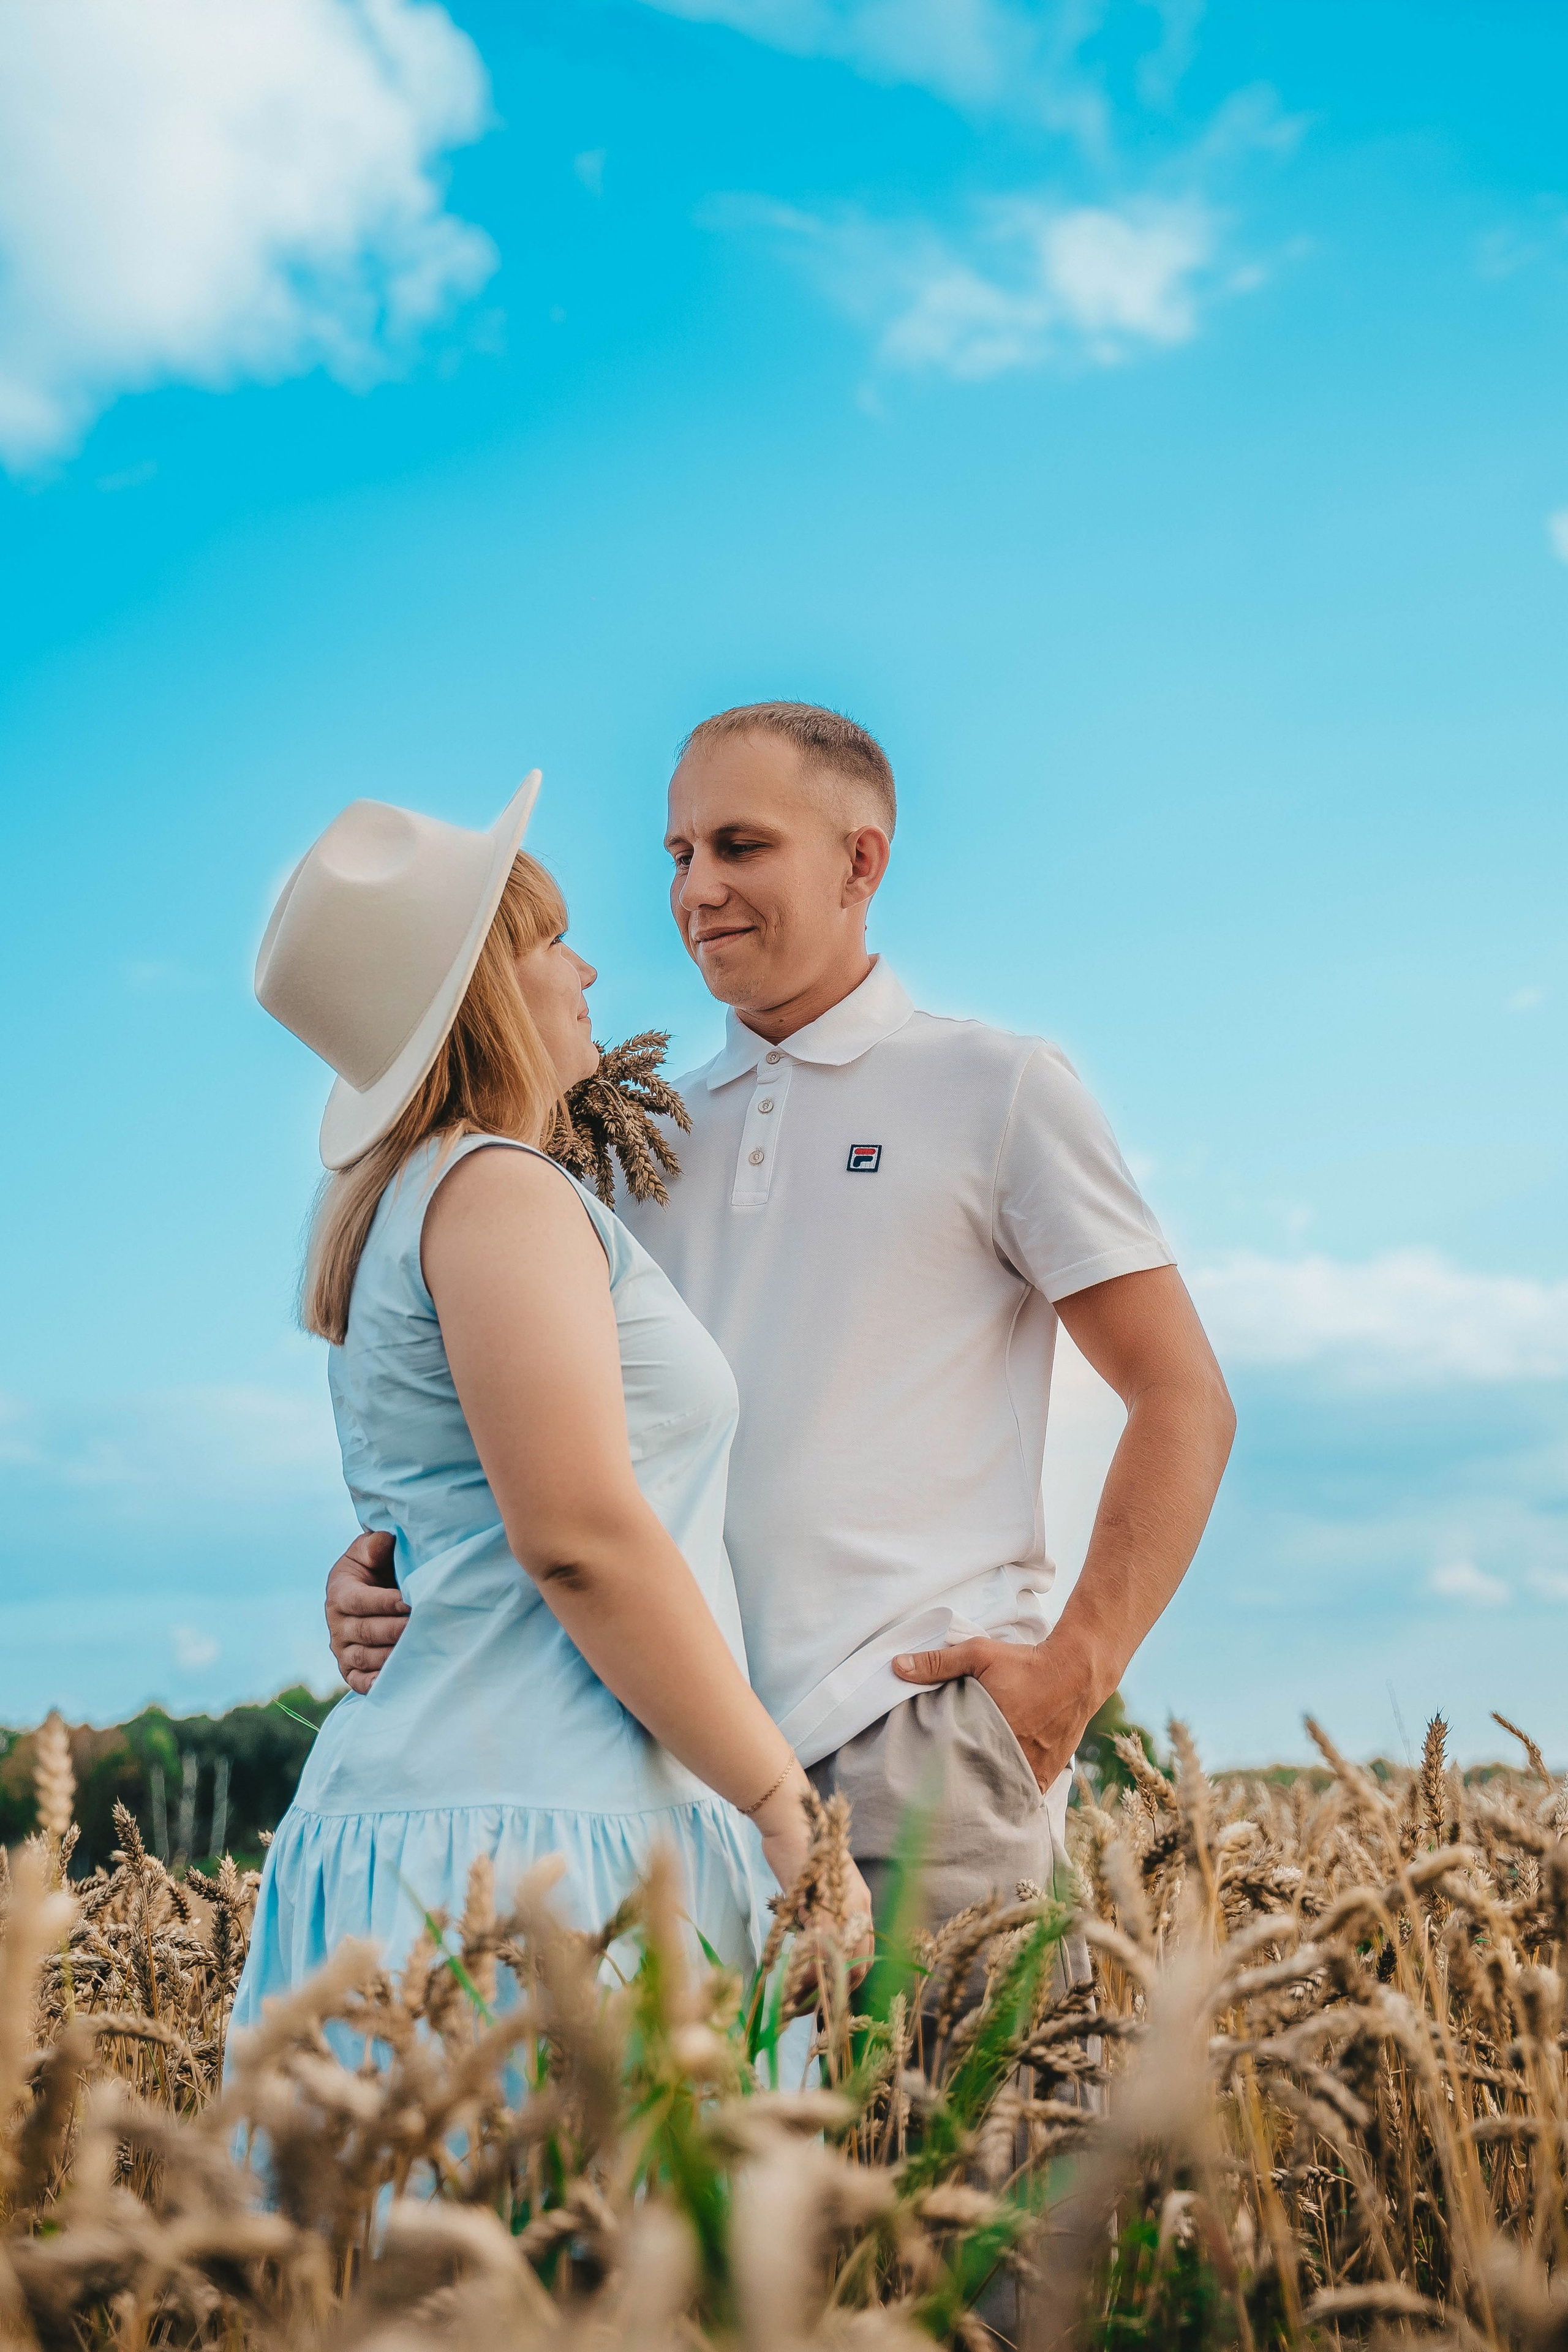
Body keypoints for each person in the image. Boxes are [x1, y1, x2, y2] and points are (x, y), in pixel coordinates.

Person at [326, 708, 1235, 1934]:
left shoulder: (994, 1087)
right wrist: (388, 1568)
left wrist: (1070, 1677)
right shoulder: (618, 1140)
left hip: (909, 1731)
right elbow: (538, 1452)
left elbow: (1181, 1396)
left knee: (967, 2132)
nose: (697, 889)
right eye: (677, 853)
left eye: (740, 846)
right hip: (663, 1763)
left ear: (860, 862)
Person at [232, 775, 870, 2038]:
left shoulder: (380, 1200)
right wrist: (786, 1811)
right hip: (552, 1843)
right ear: (483, 990)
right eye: (545, 941)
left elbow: (457, 1509)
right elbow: (576, 1536)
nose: (584, 968)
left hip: (411, 1821)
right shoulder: (499, 1193)